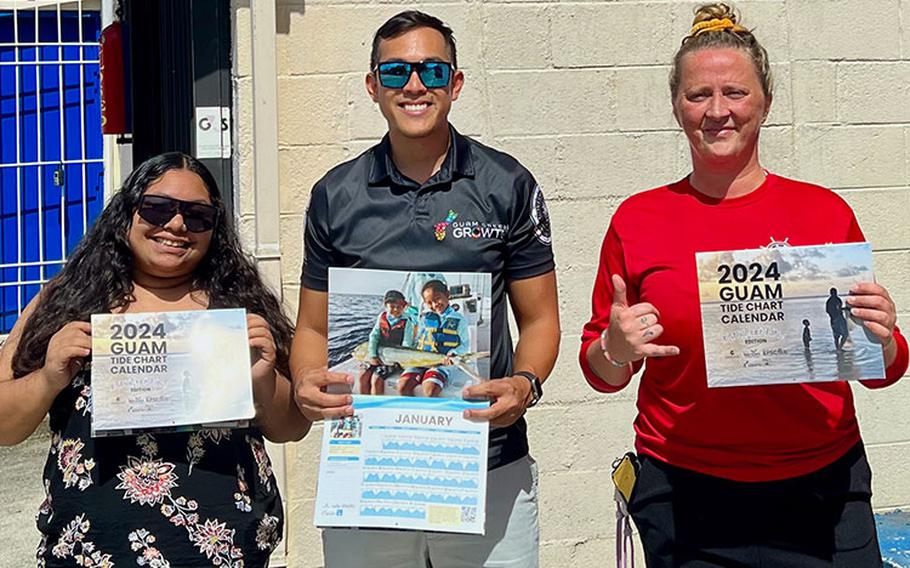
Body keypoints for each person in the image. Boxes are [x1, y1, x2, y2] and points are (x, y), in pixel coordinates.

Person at [579, 4, 908, 567]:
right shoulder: (639, 220)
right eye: (697, 94)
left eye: (734, 92)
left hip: (822, 489)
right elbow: (602, 373)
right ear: (677, 107)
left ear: (766, 103)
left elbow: (885, 367)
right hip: (684, 492)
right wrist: (613, 348)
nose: (717, 111)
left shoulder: (823, 212)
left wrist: (883, 338)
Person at [291, 10, 560, 567]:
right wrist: (304, 382)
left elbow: (539, 320)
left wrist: (525, 384)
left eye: (432, 72)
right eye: (395, 73)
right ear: (373, 87)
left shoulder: (507, 183)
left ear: (455, 84)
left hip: (489, 465)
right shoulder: (334, 195)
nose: (414, 86)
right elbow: (314, 327)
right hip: (370, 466)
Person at [0, 152, 310, 567]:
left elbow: (292, 427)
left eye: (198, 216)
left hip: (224, 552)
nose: (177, 225)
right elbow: (4, 428)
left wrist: (263, 380)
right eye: (158, 208)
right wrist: (48, 377)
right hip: (89, 552)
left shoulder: (238, 308)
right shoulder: (65, 301)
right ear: (127, 213)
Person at [398, 279, 470, 397]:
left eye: (437, 298)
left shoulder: (459, 319)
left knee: (430, 389)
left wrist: (454, 353)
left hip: (441, 363)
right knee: (402, 386)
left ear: (447, 295)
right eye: (429, 302)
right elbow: (417, 339)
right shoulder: (425, 318)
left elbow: (465, 344)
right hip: (420, 361)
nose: (435, 304)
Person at [360, 289, 415, 395]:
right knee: (363, 376)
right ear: (386, 306)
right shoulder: (382, 317)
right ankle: (365, 406)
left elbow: (407, 343)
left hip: (393, 358)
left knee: (376, 379)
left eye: (399, 307)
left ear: (404, 307)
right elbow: (374, 336)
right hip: (378, 354)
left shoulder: (407, 321)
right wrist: (372, 355)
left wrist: (401, 360)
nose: (396, 310)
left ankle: (377, 407)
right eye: (392, 306)